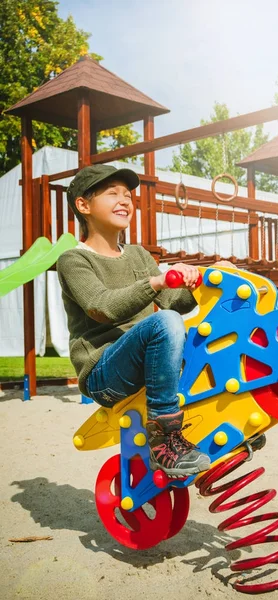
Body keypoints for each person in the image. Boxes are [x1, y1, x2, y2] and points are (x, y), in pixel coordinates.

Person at [57, 164, 213, 477]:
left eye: (128, 195)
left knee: (197, 333)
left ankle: (227, 416)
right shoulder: (74, 260)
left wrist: (207, 281)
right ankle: (163, 439)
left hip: (143, 363)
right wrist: (156, 282)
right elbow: (102, 307)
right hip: (103, 374)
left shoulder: (139, 255)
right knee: (165, 322)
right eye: (113, 193)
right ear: (83, 205)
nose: (125, 200)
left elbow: (174, 302)